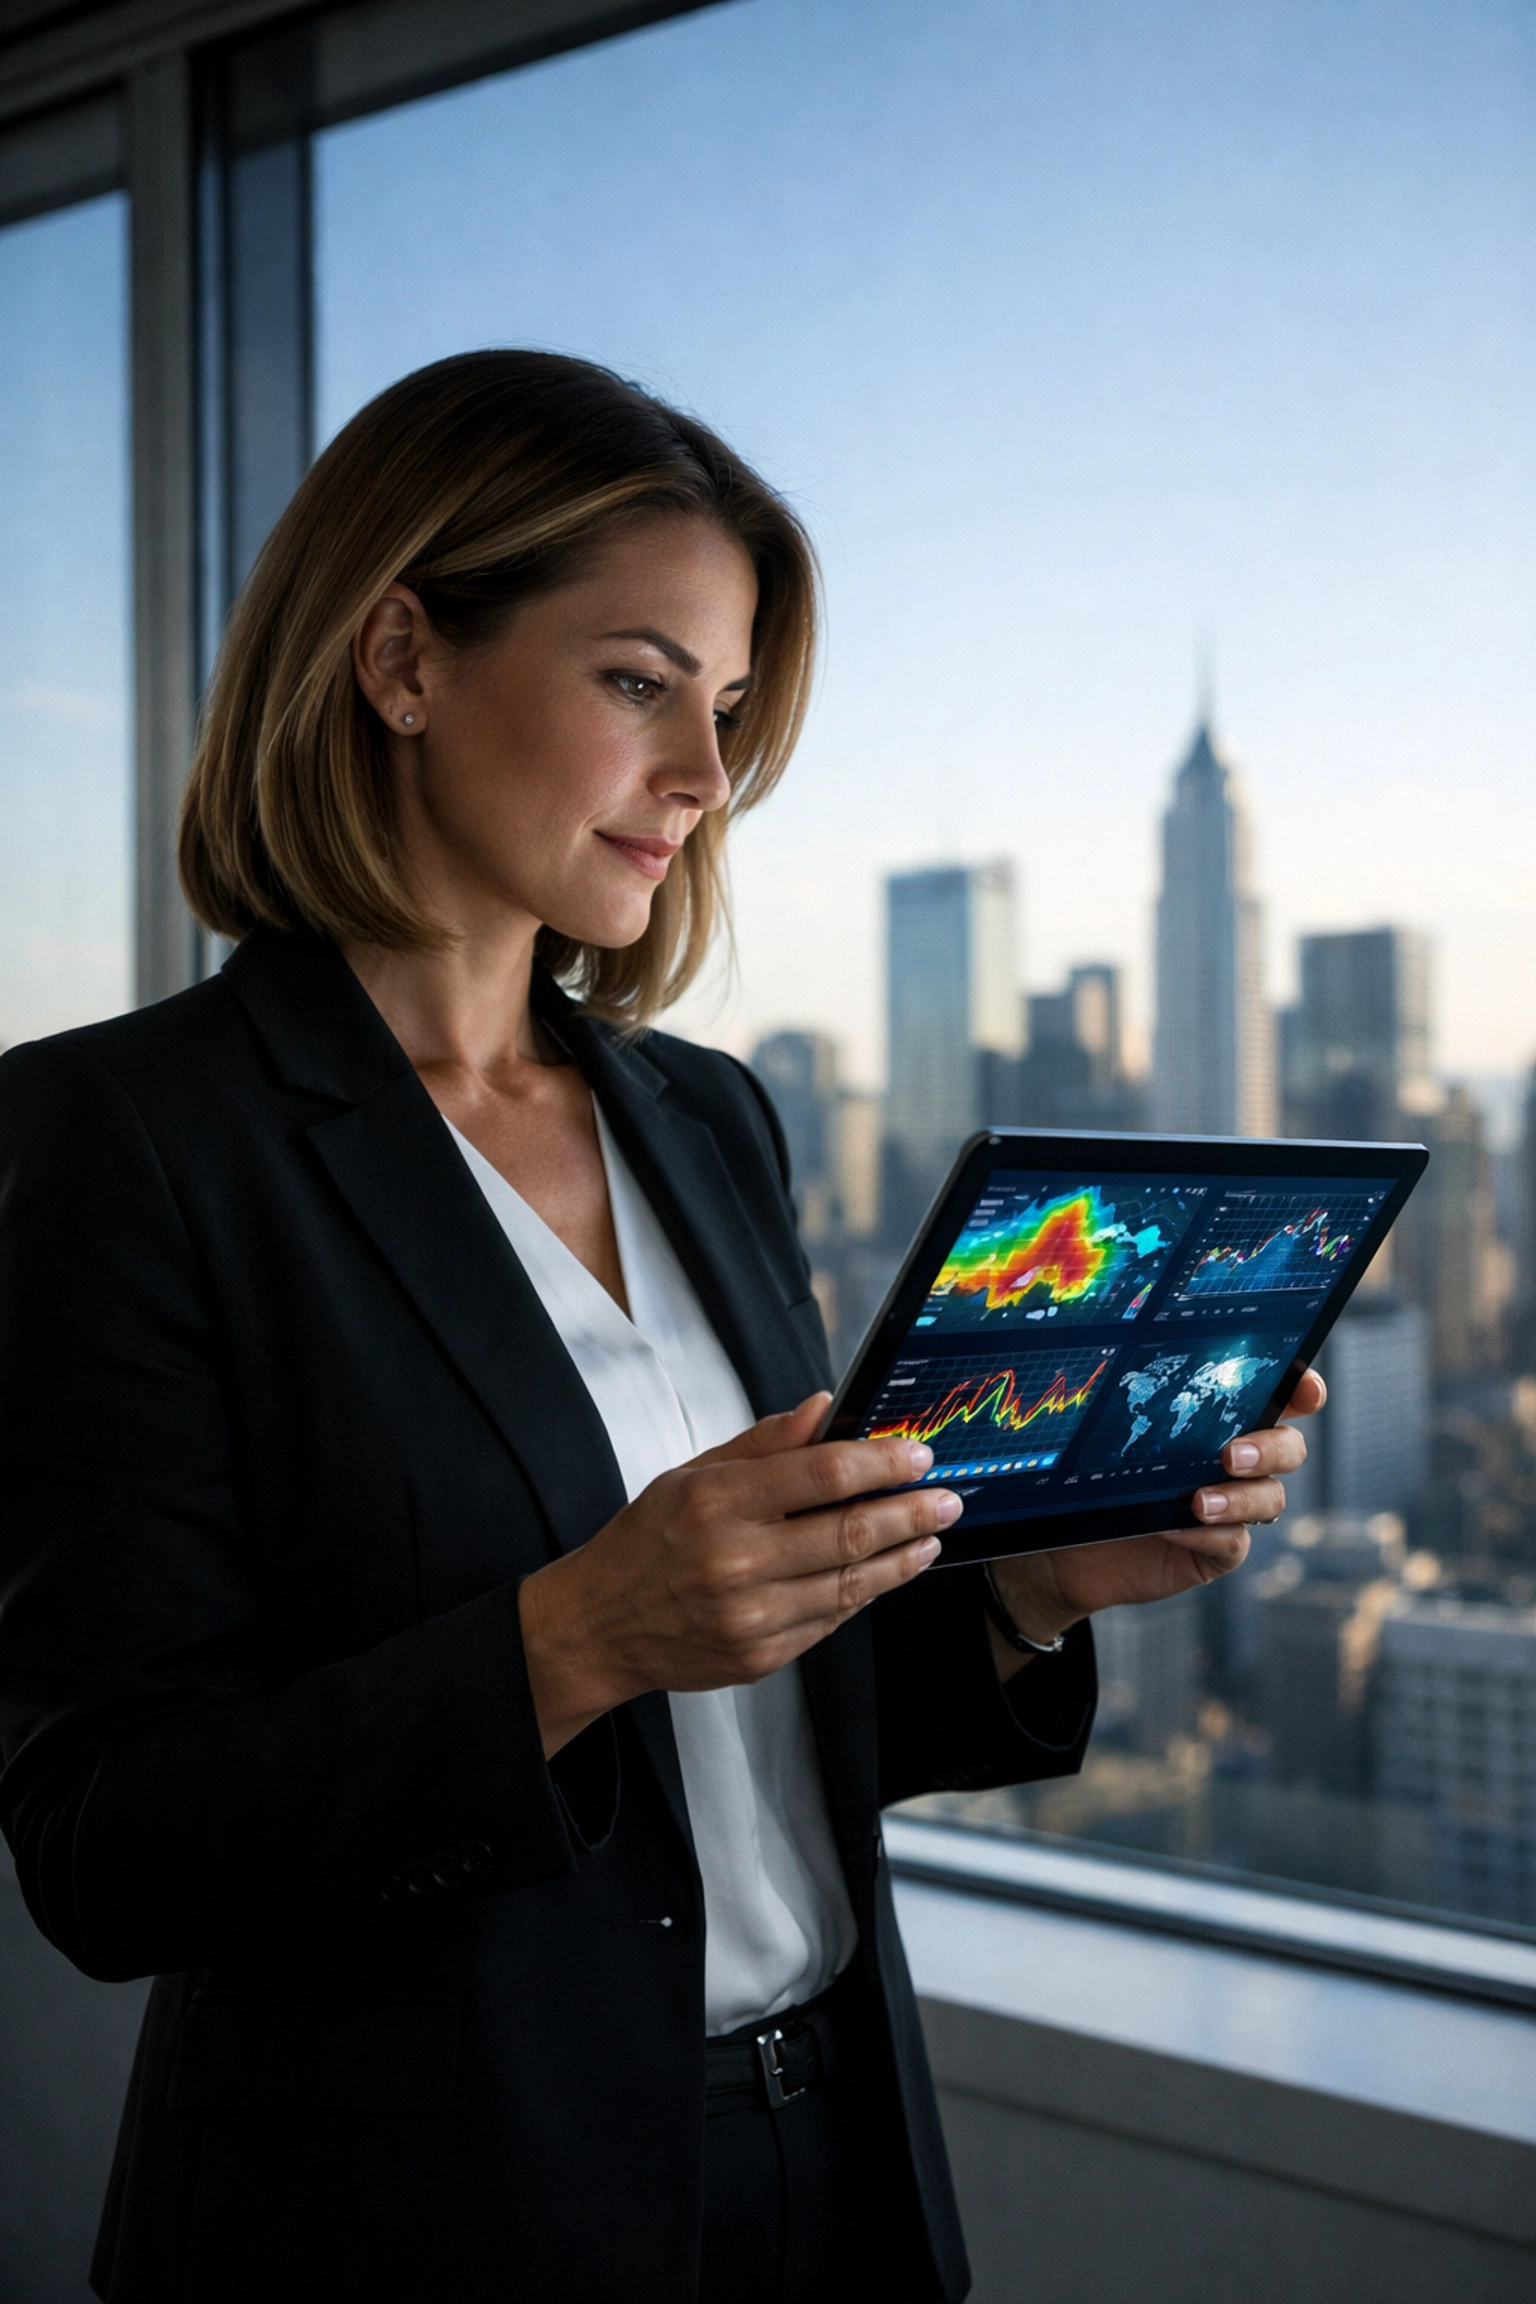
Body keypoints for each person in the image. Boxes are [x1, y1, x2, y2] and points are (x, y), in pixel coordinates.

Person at [0, 351, 1319, 2304]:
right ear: (401, 655)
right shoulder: (123, 1139)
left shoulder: (703, 1113)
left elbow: (767, 1733)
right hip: (415, 2232)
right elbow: (110, 1848)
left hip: (831, 2167)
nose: (705, 781)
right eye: (640, 683)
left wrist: (1032, 1600)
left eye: (724, 711)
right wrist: (572, 1639)